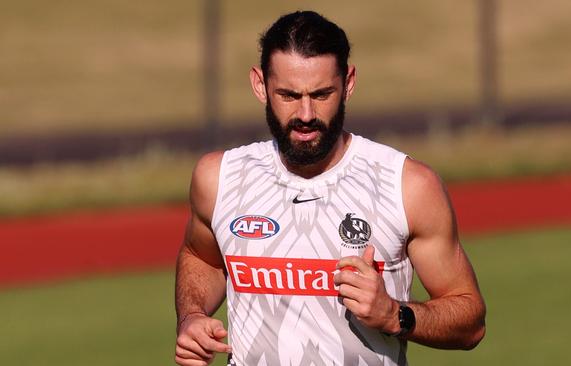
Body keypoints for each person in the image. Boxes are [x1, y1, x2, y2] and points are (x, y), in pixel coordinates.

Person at [175, 10, 485, 366]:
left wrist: (394, 315)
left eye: (322, 94)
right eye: (288, 95)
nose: (306, 114)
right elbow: (201, 257)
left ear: (348, 82)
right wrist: (192, 316)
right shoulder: (220, 178)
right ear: (260, 85)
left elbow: (470, 320)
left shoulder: (407, 185)